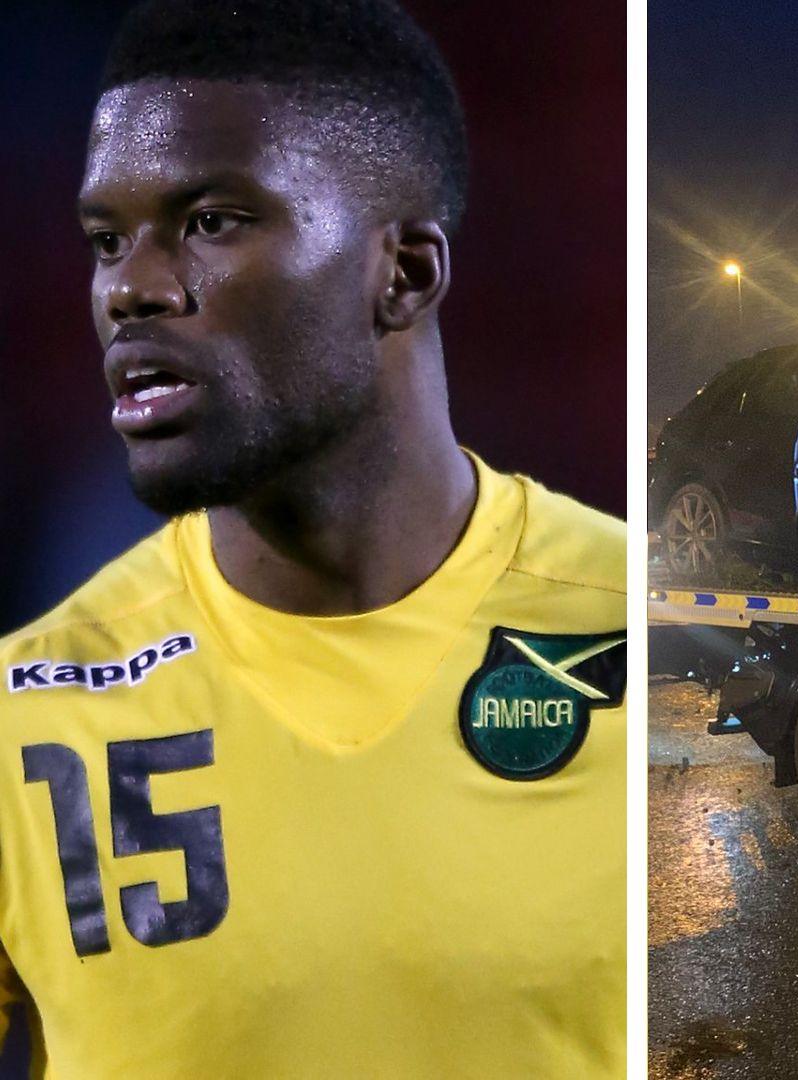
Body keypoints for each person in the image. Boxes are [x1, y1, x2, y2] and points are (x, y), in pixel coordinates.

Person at [0, 0, 624, 1074]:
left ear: (406, 274)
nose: (131, 289)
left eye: (212, 221)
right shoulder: (29, 709)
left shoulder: (625, 630)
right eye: (107, 240)